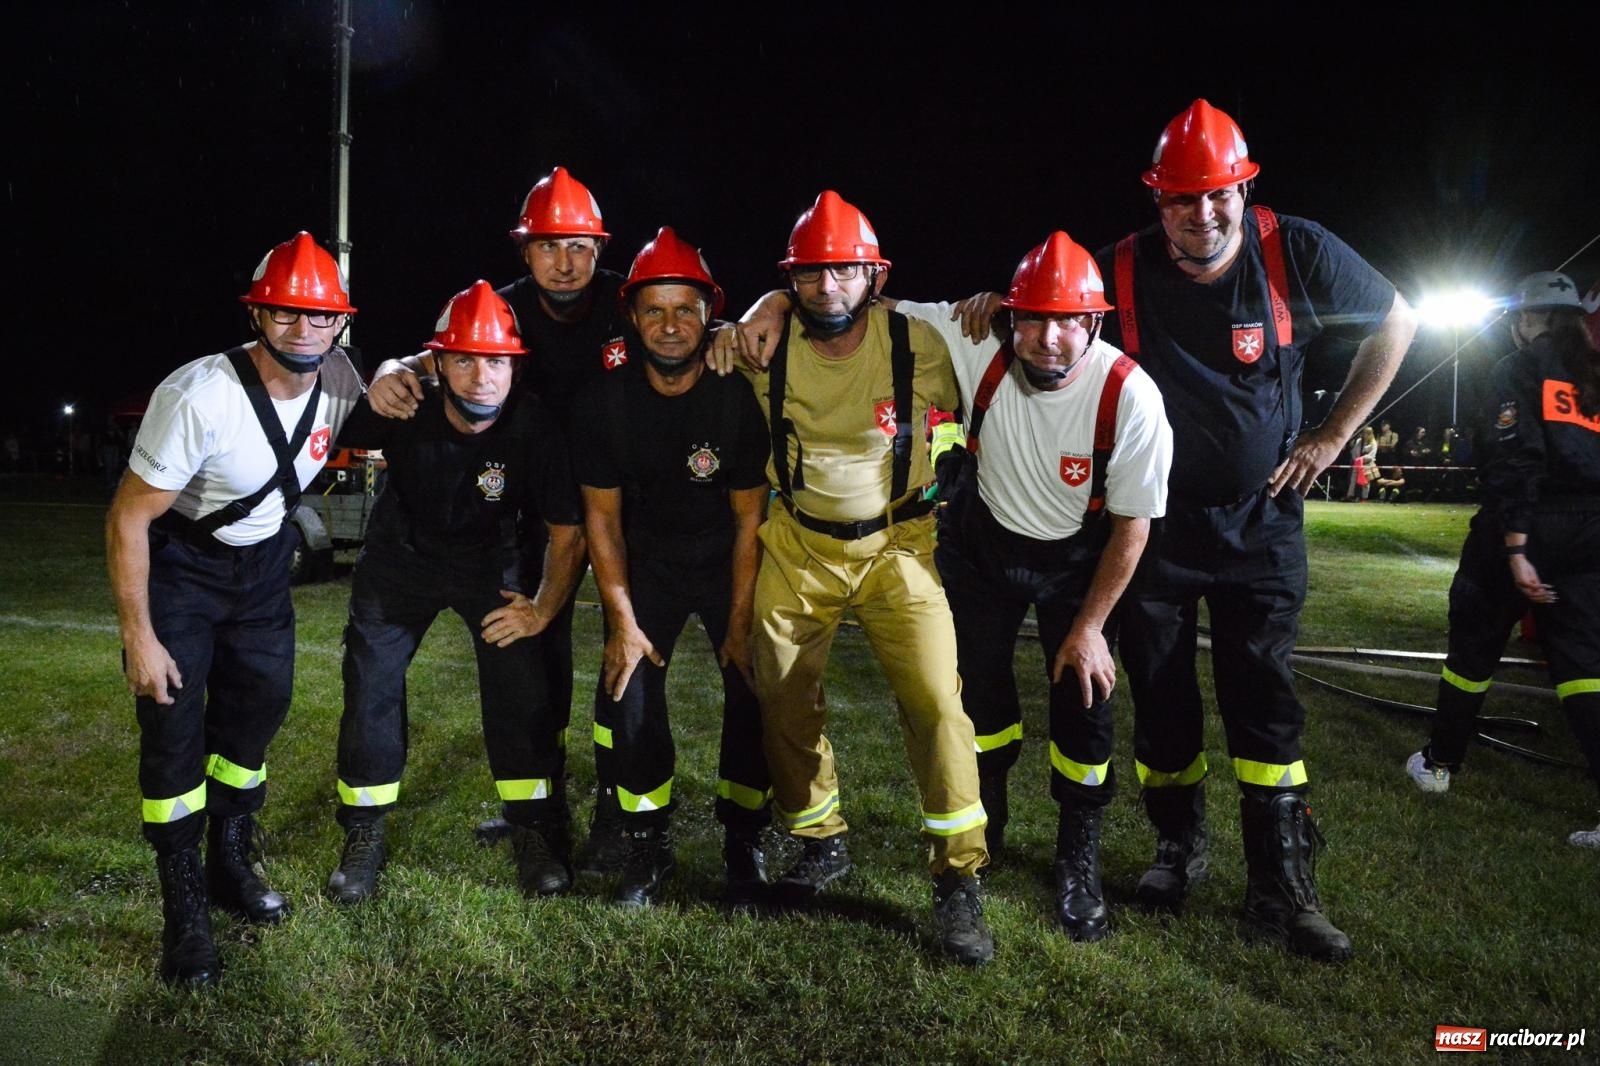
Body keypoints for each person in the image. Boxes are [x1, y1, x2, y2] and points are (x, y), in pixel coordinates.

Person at [1094, 99, 1416, 961]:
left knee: (1263, 700)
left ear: (1244, 188)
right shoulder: (1118, 269)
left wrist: (1331, 437)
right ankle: (1177, 849)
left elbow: (1398, 319)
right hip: (1153, 533)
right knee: (1160, 698)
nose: (1202, 215)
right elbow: (1034, 325)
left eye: (1218, 195)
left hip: (1260, 527)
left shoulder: (1295, 248)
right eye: (1182, 200)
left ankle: (1282, 887)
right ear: (1156, 200)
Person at [723, 190, 994, 964]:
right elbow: (695, 346)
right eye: (808, 275)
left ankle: (958, 879)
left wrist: (947, 462)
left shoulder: (922, 344)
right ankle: (820, 837)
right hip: (798, 546)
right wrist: (756, 310)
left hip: (897, 549)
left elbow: (968, 402)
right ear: (792, 281)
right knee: (779, 693)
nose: (827, 288)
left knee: (939, 705)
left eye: (845, 272)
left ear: (874, 276)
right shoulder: (761, 347)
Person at [105, 232, 364, 985]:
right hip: (183, 568)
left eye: (321, 316)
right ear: (257, 314)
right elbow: (128, 518)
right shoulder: (199, 394)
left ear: (341, 323)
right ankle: (183, 912)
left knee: (257, 715)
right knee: (174, 735)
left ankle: (229, 864)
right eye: (285, 313)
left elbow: (398, 387)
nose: (304, 329)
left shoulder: (341, 377)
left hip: (261, 573)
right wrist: (140, 634)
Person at [364, 167, 630, 867]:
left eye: (578, 246)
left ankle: (614, 809)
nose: (564, 262)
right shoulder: (506, 309)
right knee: (539, 666)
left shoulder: (627, 304)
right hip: (540, 508)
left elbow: (686, 319)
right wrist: (394, 364)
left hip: (626, 507)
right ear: (524, 251)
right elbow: (445, 352)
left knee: (629, 659)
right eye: (548, 246)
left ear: (600, 250)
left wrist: (768, 311)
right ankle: (541, 812)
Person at [325, 281, 585, 904]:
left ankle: (532, 830)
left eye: (495, 360)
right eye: (463, 358)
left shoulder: (535, 425)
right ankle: (364, 831)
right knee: (371, 684)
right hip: (400, 564)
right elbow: (314, 418)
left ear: (514, 366)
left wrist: (542, 608)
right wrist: (382, 373)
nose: (480, 376)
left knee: (520, 690)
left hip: (491, 567)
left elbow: (568, 532)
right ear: (436, 363)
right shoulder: (403, 406)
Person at [569, 228, 772, 908]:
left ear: (710, 313)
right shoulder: (604, 403)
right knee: (628, 693)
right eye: (654, 310)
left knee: (752, 686)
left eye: (685, 309)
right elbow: (601, 520)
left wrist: (739, 624)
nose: (670, 325)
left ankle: (744, 839)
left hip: (726, 563)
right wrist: (622, 622)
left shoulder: (734, 396)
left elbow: (751, 520)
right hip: (649, 565)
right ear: (630, 316)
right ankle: (646, 845)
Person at [1405, 271, 1599, 834]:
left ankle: (1440, 764)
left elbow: (1518, 461)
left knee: (1473, 648)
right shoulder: (1592, 375)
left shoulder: (1517, 369)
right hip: (1588, 534)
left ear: (1529, 319)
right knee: (1584, 663)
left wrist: (1516, 549)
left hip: (1524, 529)